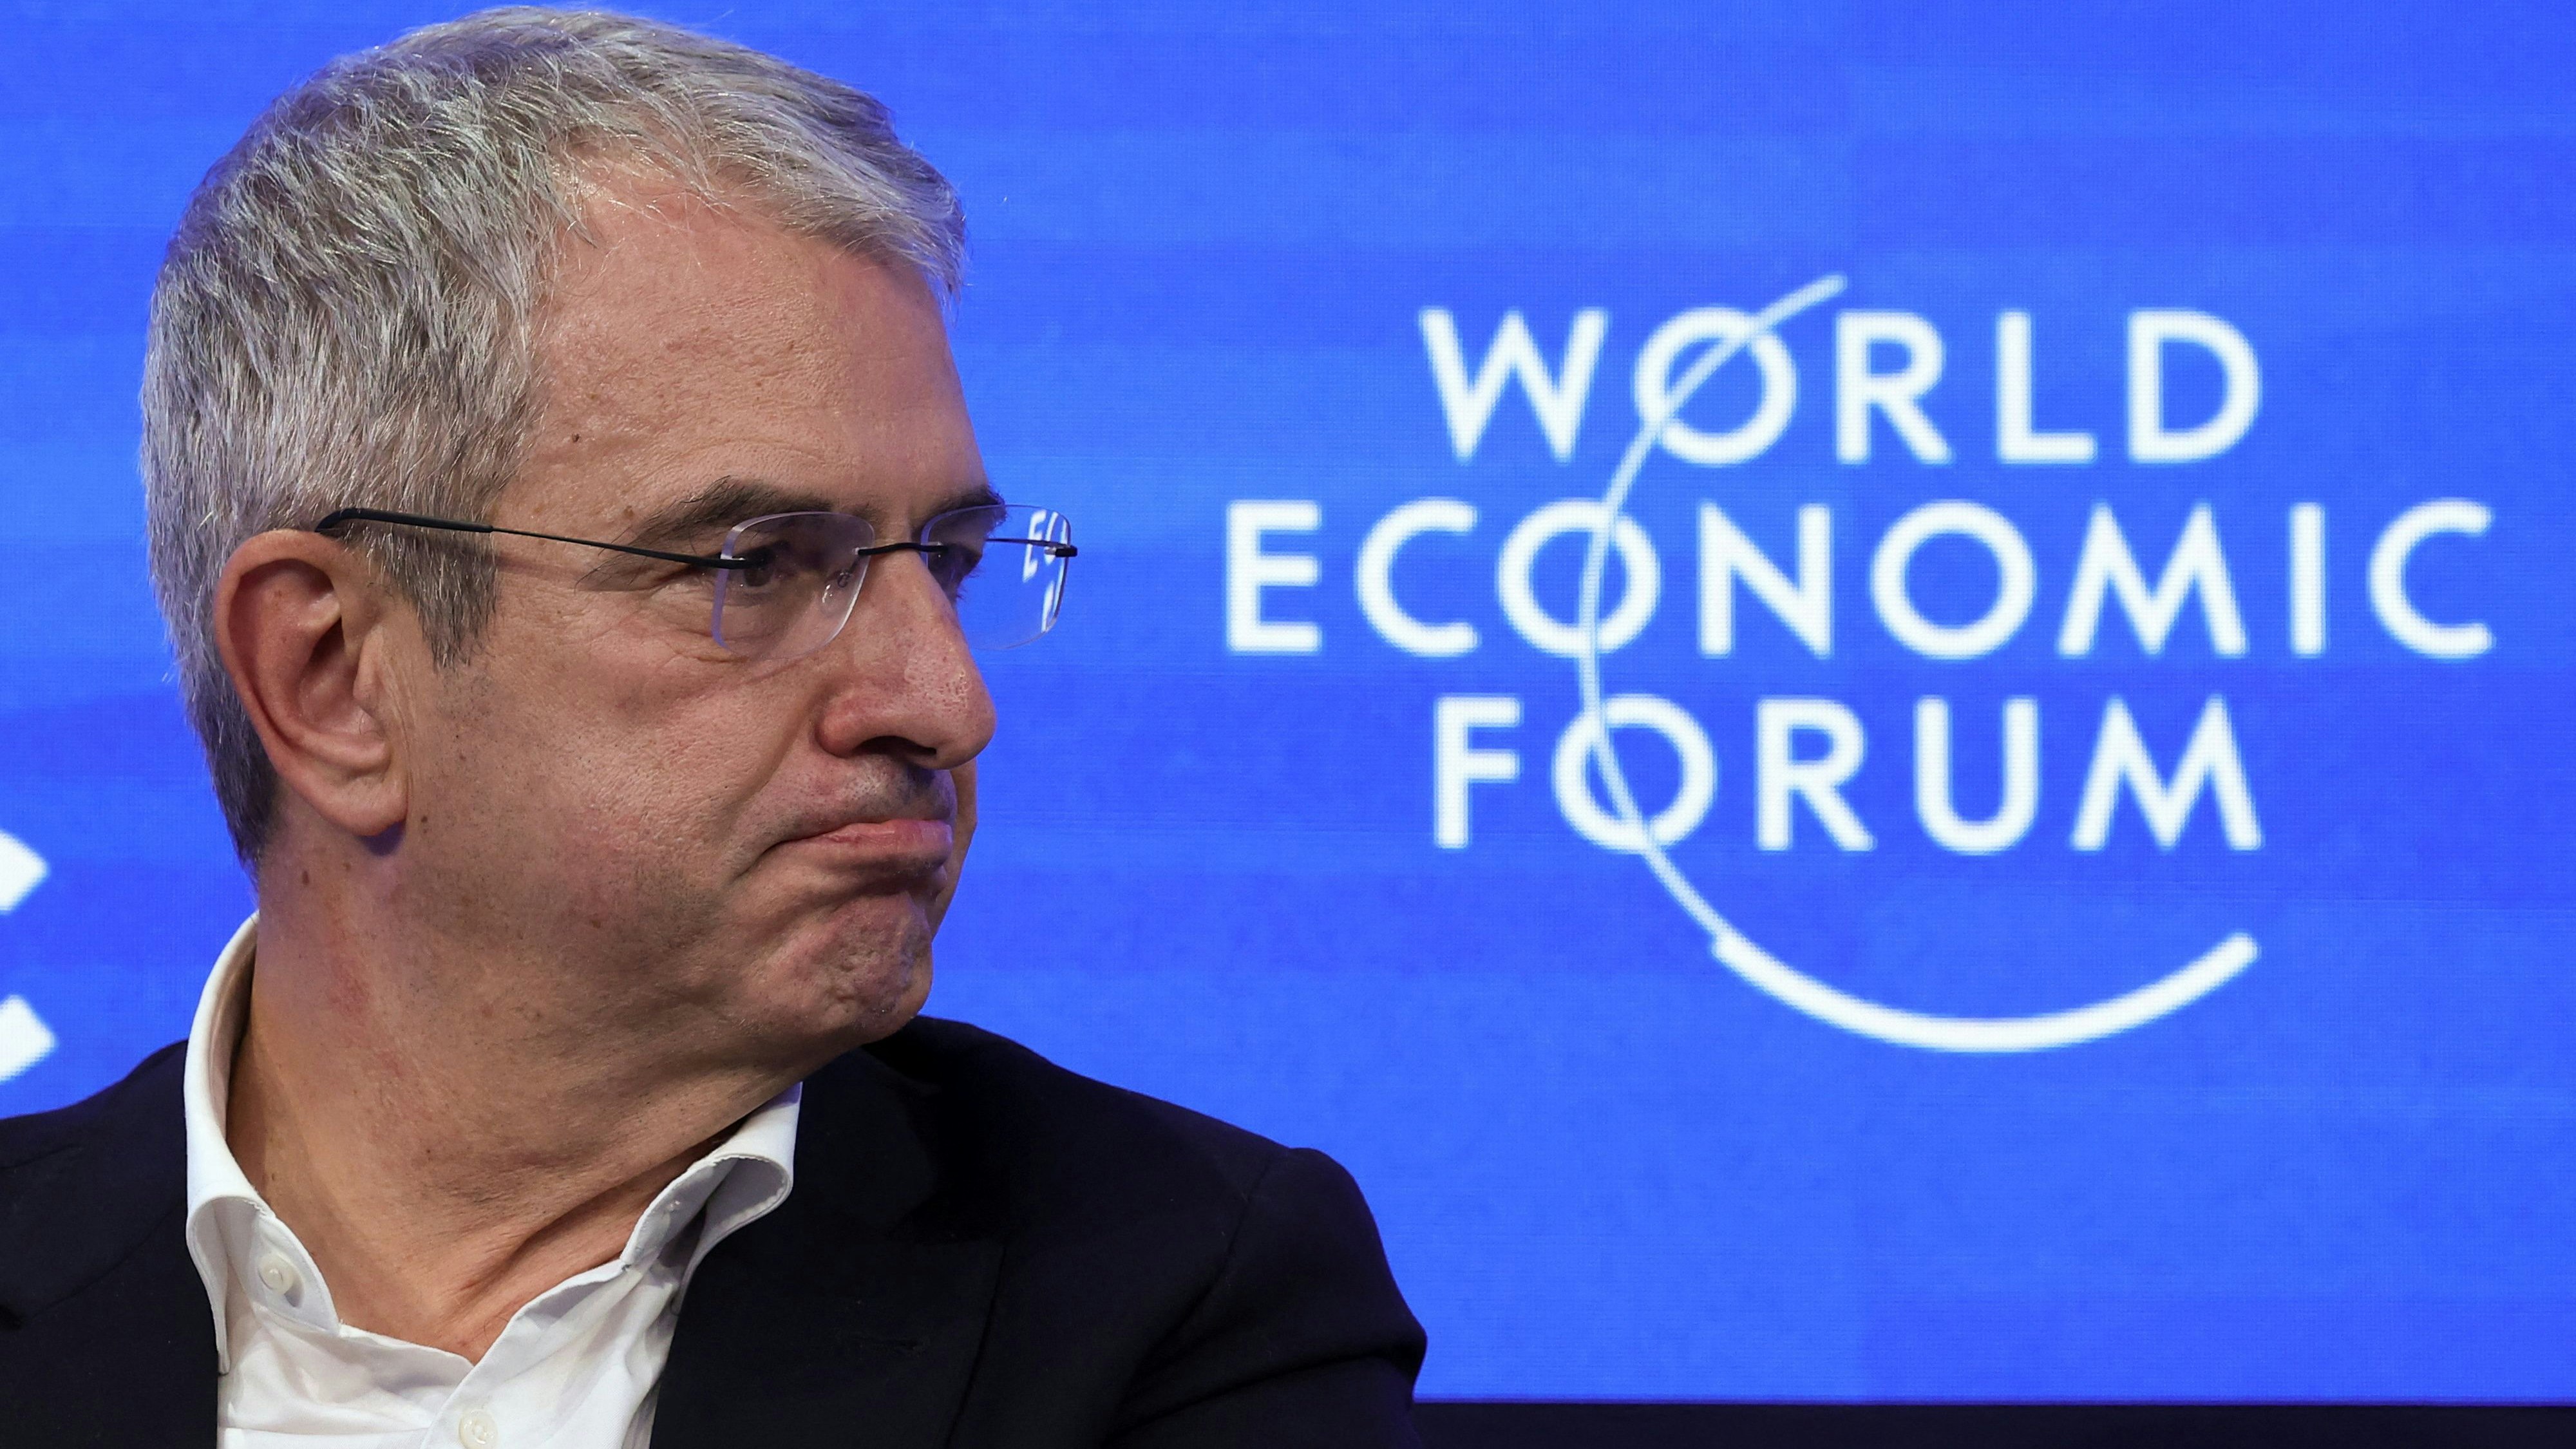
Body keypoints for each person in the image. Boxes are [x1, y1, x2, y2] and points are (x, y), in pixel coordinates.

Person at [0, 8, 1425, 1445]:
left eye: (947, 560)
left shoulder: (1168, 1301)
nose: (947, 704)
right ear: (332, 678)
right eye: (757, 564)